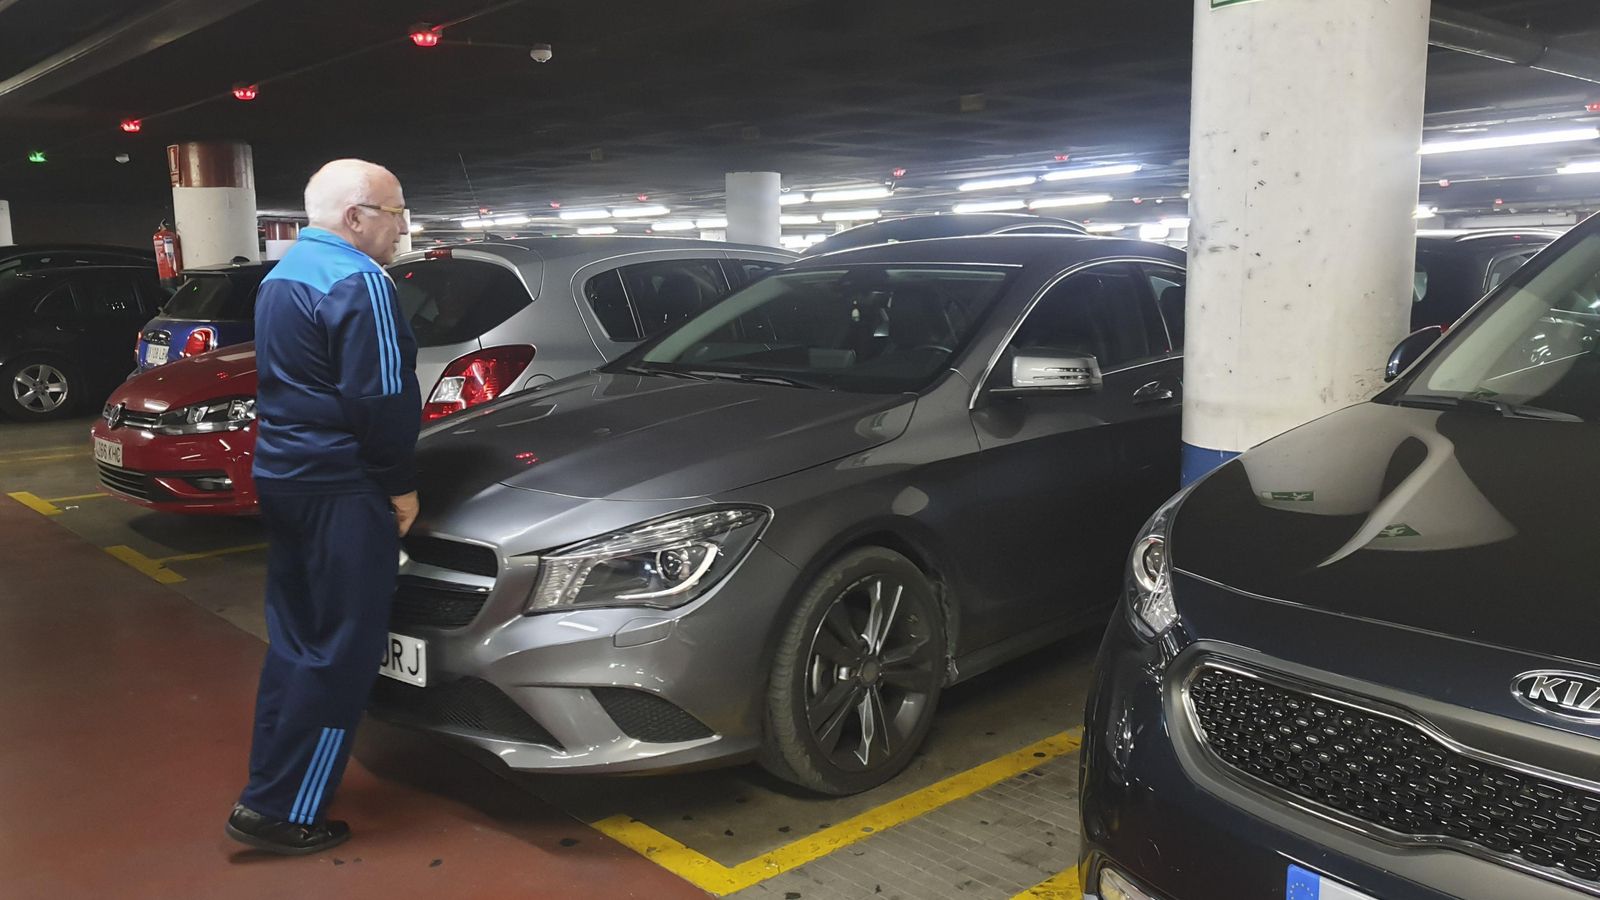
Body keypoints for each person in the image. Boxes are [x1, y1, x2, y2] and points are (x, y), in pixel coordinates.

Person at [224, 159, 420, 855]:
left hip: (285, 480)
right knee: (342, 653)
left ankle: (268, 785)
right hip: (342, 489)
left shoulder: (284, 275)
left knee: (299, 644)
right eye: (396, 212)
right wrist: (399, 482)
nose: (403, 227)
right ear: (356, 216)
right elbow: (383, 397)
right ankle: (283, 810)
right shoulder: (360, 281)